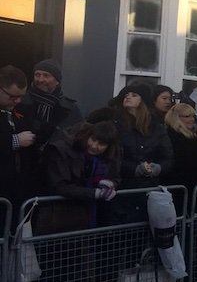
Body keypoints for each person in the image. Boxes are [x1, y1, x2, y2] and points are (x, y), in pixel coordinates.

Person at [40, 121, 121, 230]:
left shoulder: (109, 157)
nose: (94, 146)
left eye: (101, 144)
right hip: (59, 214)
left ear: (108, 146)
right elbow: (59, 186)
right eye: (93, 139)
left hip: (90, 215)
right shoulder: (63, 149)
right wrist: (94, 193)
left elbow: (115, 176)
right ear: (89, 135)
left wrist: (110, 184)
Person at [111, 83, 173, 190]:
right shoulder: (116, 125)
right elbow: (112, 156)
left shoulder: (156, 128)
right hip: (123, 185)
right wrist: (134, 168)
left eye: (134, 95)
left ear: (142, 101)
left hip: (150, 186)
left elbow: (168, 157)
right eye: (126, 95)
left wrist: (158, 168)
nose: (128, 97)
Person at [1, 65, 38, 223]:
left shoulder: (20, 110)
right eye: (12, 96)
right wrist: (15, 141)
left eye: (21, 96)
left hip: (15, 187)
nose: (17, 101)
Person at [19, 58, 83, 149]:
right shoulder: (20, 102)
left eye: (46, 75)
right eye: (37, 75)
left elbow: (79, 136)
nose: (40, 80)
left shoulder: (70, 109)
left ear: (57, 81)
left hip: (55, 159)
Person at [163, 103, 197, 192]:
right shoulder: (172, 136)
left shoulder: (192, 134)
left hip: (194, 185)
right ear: (176, 117)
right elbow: (190, 159)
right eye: (187, 116)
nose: (192, 119)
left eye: (193, 116)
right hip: (181, 185)